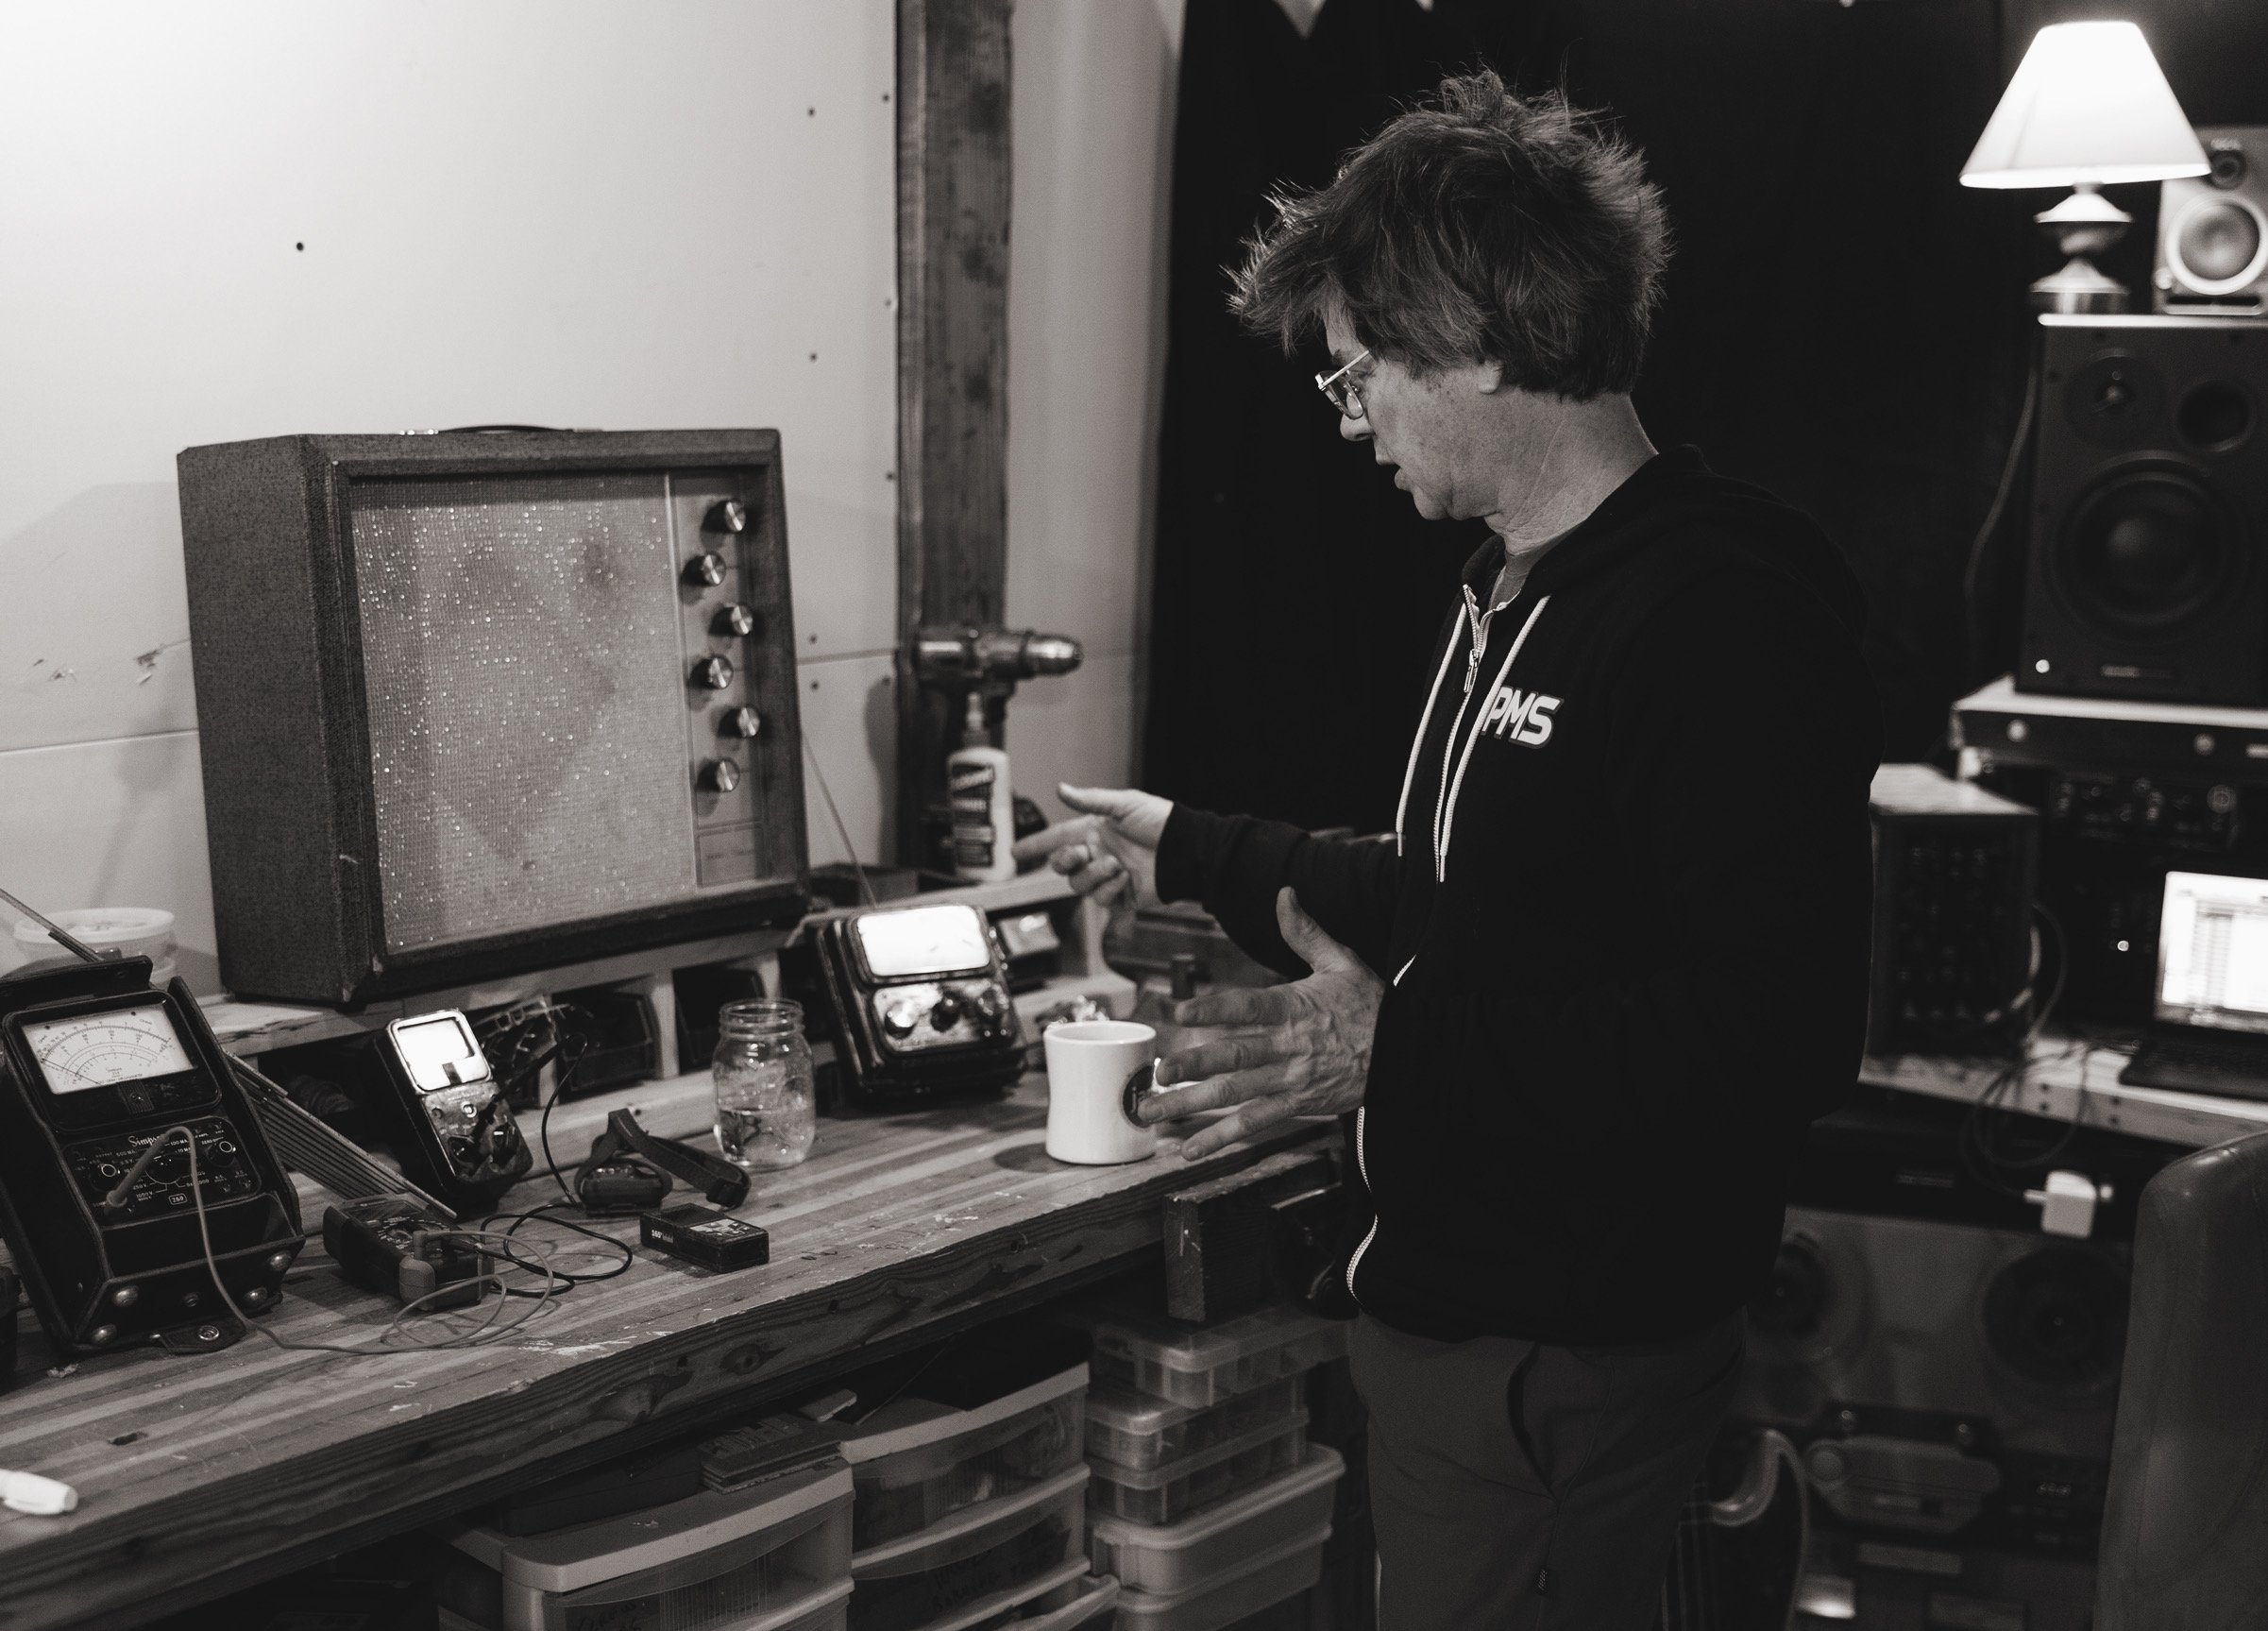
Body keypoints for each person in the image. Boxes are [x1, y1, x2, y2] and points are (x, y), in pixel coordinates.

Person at [1014, 70, 1881, 1630]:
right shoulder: (1508, 585)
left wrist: (1386, 1048)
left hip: (1568, 1355)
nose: (1349, 423)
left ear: (1476, 346)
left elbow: (1777, 1034)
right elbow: (1470, 897)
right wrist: (1190, 851)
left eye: (1356, 377)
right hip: (1455, 1322)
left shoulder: (1719, 612)